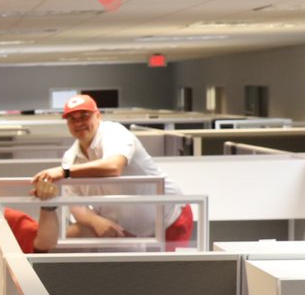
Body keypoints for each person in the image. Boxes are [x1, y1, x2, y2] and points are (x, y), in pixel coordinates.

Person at [31, 94, 193, 247]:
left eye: (84, 116)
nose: (78, 123)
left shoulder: (113, 133)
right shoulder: (70, 158)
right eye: (72, 119)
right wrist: (95, 221)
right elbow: (75, 203)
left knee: (168, 273)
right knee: (72, 237)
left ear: (98, 116)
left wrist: (64, 172)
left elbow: (113, 167)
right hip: (125, 230)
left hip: (169, 220)